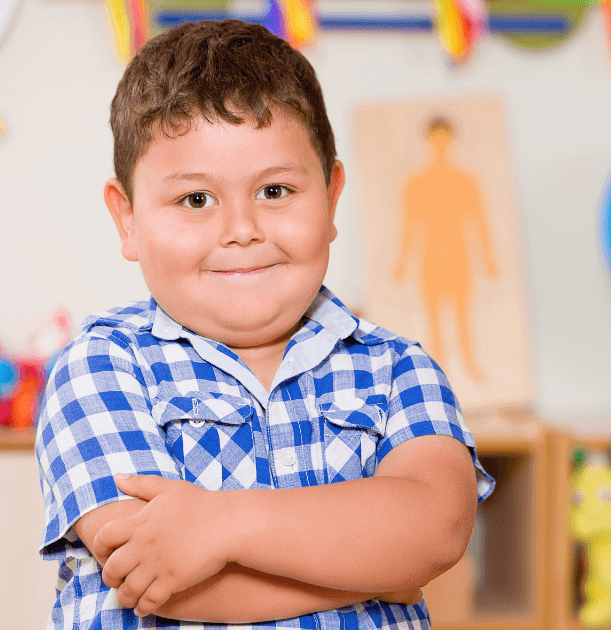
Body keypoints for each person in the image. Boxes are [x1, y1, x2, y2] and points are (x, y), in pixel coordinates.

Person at [34, 19, 494, 630]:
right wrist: (378, 570)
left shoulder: (398, 368)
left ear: (330, 199)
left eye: (275, 190)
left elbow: (436, 529)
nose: (241, 229)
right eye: (196, 200)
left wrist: (222, 524)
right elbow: (153, 579)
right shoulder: (99, 367)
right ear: (127, 220)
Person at [392, 117, 499, 384]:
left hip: (458, 252)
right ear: (428, 141)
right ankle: (436, 372)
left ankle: (469, 363)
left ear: (452, 141)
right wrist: (402, 263)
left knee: (462, 313)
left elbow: (478, 223)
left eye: (445, 139)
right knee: (433, 317)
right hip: (429, 255)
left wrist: (488, 259)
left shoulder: (465, 182)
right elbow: (410, 226)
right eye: (435, 139)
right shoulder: (417, 183)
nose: (440, 145)